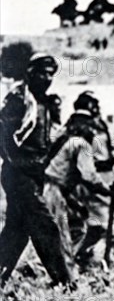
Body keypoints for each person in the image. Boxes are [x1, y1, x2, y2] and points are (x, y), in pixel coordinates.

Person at [0, 54, 74, 287]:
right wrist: (15, 163)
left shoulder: (47, 103)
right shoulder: (18, 98)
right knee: (45, 225)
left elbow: (51, 141)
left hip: (34, 173)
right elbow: (2, 134)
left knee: (17, 229)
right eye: (42, 72)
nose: (47, 77)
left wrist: (41, 163)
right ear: (30, 72)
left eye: (51, 73)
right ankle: (64, 283)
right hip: (18, 174)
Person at [68, 91, 114, 267]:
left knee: (104, 221)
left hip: (107, 177)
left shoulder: (109, 129)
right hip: (84, 181)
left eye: (93, 106)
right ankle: (84, 257)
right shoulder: (76, 129)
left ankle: (92, 255)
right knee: (96, 223)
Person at [43, 107, 114, 277]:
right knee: (62, 234)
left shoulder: (65, 139)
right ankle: (66, 277)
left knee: (81, 227)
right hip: (53, 190)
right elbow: (89, 176)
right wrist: (108, 190)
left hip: (58, 190)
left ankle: (69, 264)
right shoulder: (80, 144)